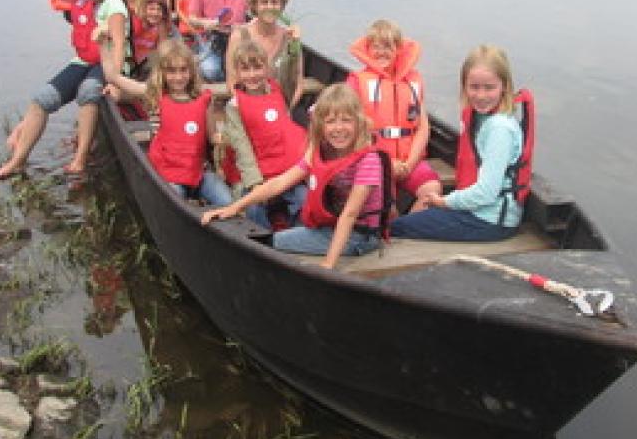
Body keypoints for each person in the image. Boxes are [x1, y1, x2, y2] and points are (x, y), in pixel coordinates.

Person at [202, 84, 391, 269]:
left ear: (359, 122)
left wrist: (328, 265)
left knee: (271, 242)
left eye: (346, 120)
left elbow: (349, 215)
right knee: (282, 230)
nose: (338, 128)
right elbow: (280, 182)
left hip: (360, 237)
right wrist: (235, 207)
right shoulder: (320, 151)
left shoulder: (369, 161)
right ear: (321, 125)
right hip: (330, 226)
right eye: (331, 121)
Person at [0, 0, 127, 179]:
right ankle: (17, 161)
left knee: (89, 91)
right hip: (83, 61)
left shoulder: (112, 3)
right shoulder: (80, 3)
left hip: (108, 61)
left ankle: (80, 159)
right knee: (41, 99)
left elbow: (119, 45)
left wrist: (114, 81)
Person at [390, 45, 534, 241]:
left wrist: (444, 202)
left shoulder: (499, 129)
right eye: (474, 87)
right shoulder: (481, 117)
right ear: (464, 86)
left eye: (489, 87)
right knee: (409, 222)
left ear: (505, 87)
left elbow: (486, 193)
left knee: (396, 228)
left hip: (489, 221)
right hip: (479, 212)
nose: (481, 96)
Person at [100, 38, 233, 206]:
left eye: (183, 70)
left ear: (191, 71)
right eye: (171, 71)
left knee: (228, 202)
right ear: (162, 72)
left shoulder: (203, 99)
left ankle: (201, 201)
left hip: (198, 171)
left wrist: (232, 137)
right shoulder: (156, 95)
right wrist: (103, 44)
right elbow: (112, 76)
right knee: (175, 201)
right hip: (169, 173)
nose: (178, 77)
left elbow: (214, 137)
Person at [347, 19, 441, 212]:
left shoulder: (413, 80)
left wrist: (410, 163)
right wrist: (389, 163)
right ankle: (394, 226)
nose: (381, 52)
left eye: (388, 46)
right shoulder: (357, 82)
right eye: (376, 47)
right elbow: (353, 132)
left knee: (432, 191)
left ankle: (403, 229)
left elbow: (422, 128)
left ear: (398, 49)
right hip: (374, 161)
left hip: (409, 160)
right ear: (368, 50)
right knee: (387, 210)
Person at [220, 40, 308, 229]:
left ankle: (293, 235)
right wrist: (255, 184)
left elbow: (290, 73)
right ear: (237, 72)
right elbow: (242, 148)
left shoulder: (280, 90)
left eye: (257, 68)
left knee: (305, 199)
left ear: (266, 68)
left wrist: (293, 48)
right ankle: (265, 240)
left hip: (284, 171)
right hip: (257, 175)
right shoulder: (234, 106)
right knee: (254, 208)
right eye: (245, 69)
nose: (252, 75)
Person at [225, 0, 303, 108]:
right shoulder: (239, 36)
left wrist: (283, 109)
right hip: (247, 106)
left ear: (282, 7)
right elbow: (232, 82)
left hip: (281, 106)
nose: (269, 7)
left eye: (274, 2)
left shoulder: (290, 38)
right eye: (264, 2)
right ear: (255, 6)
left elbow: (298, 84)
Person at [130, 0, 172, 79]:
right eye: (151, 9)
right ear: (144, 9)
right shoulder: (135, 21)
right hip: (129, 60)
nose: (155, 13)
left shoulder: (161, 25)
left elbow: (162, 49)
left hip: (145, 62)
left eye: (159, 10)